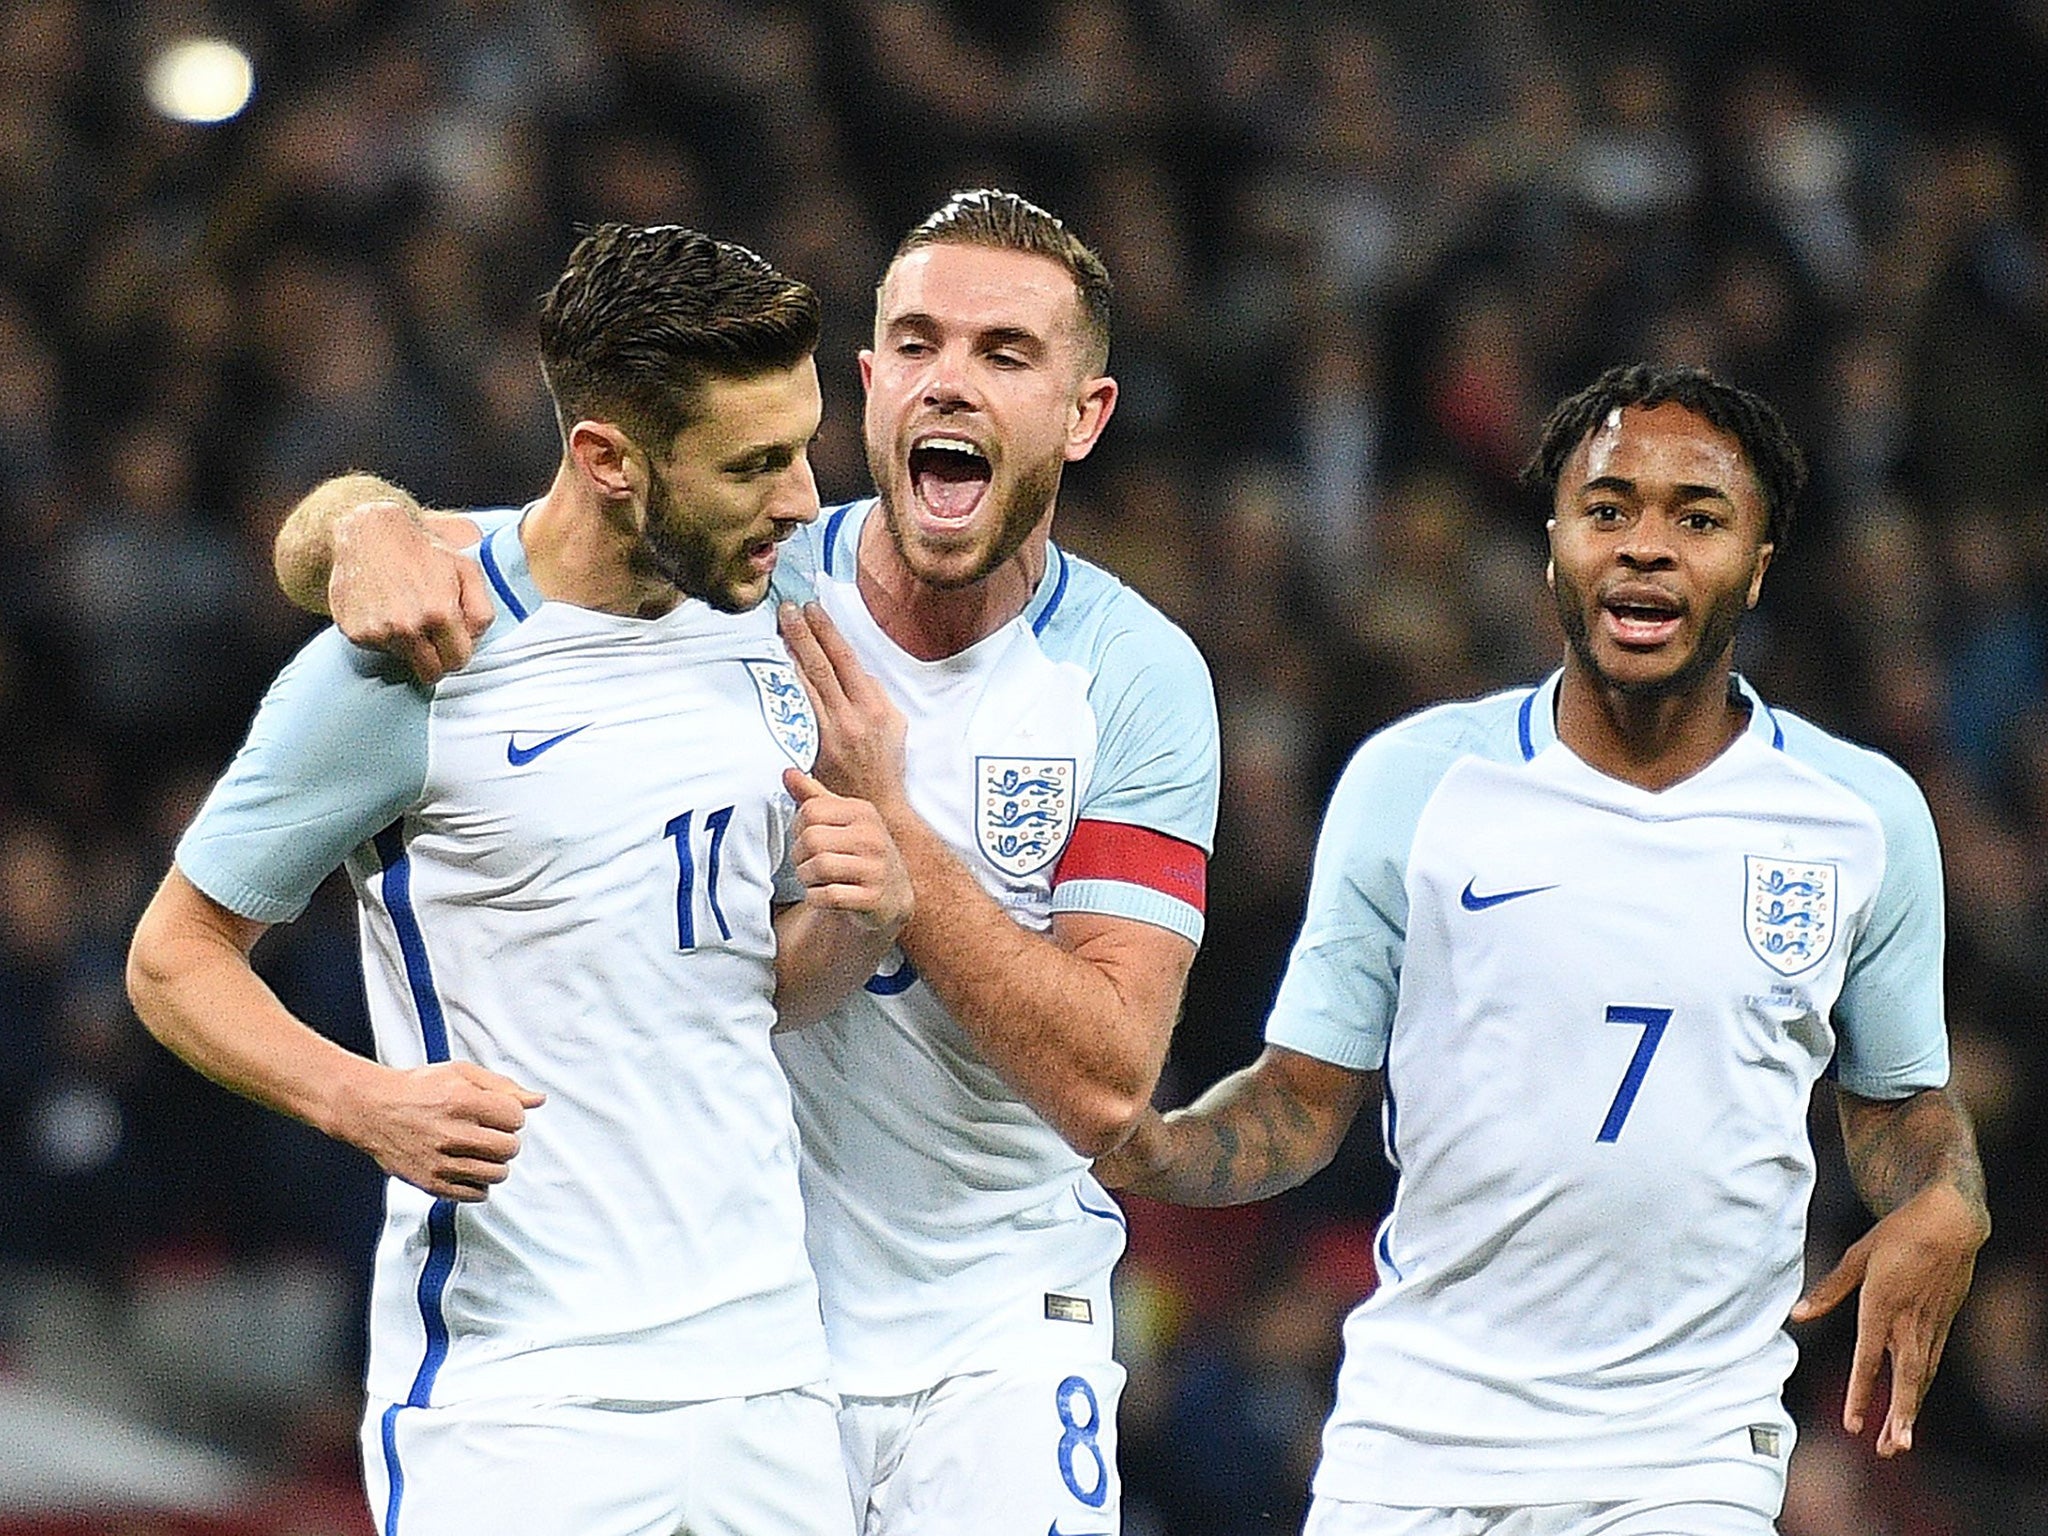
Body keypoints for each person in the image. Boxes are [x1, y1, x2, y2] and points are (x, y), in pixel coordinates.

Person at [272, 189, 1220, 1536]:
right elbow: (432, 546)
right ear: (869, 382)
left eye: (1005, 354)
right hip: (738, 1349)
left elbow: (1110, 1085)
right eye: (919, 343)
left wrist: (895, 840)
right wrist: (364, 523)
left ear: (1084, 414)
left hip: (1000, 1332)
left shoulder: (1131, 678)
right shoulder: (734, 577)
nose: (951, 381)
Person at [1096, 363, 1990, 1536]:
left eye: (1696, 518)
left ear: (1757, 566)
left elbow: (1896, 1105)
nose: (1644, 546)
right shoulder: (1413, 784)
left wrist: (1946, 1194)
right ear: (1552, 550)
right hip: (1414, 1442)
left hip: (1684, 1458)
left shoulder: (1859, 815)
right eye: (1605, 509)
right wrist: (1159, 1148)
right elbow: (1302, 1100)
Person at [126, 223, 915, 1536]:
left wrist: (859, 916)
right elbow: (172, 958)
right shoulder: (419, 650)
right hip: (517, 1397)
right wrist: (361, 1100)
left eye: (804, 447)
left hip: (769, 1376)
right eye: (753, 464)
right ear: (607, 459)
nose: (801, 498)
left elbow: (749, 994)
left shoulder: (780, 622)